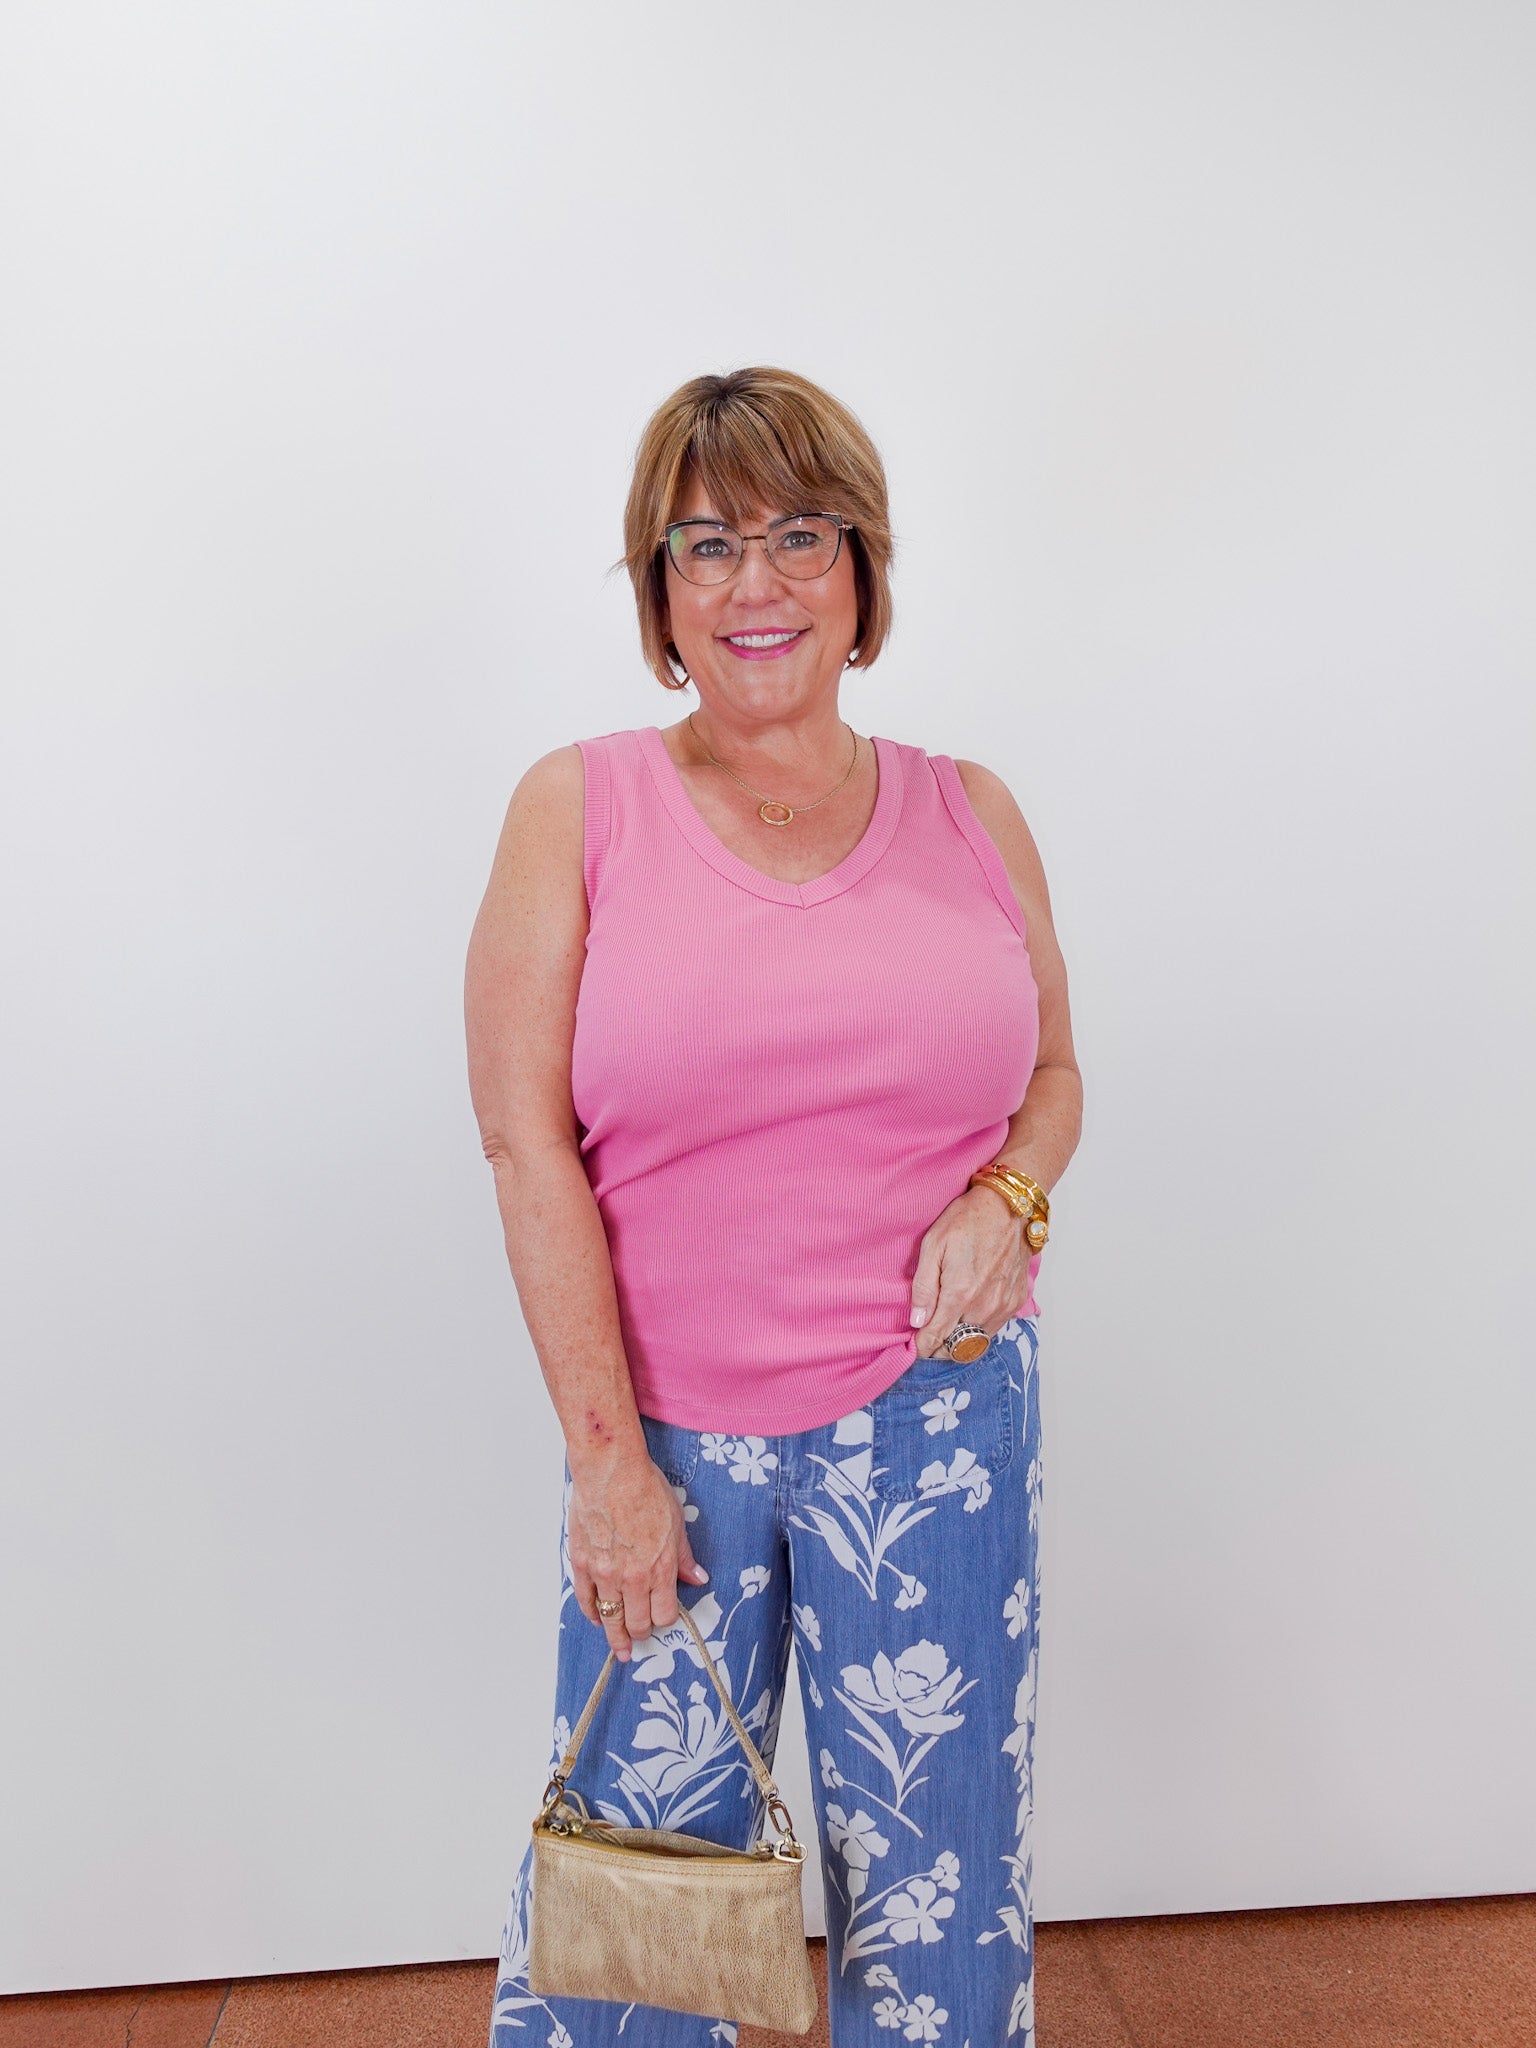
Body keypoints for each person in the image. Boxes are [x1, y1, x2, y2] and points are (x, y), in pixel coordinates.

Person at [465, 366, 1082, 2048]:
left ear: (864, 573)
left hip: (942, 1421)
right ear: (659, 596)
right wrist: (605, 1467)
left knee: (943, 1896)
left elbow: (1056, 1078)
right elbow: (526, 1144)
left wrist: (1011, 1196)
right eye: (707, 544)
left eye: (802, 536)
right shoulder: (578, 805)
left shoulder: (972, 809)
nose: (759, 583)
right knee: (645, 1908)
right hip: (667, 1439)